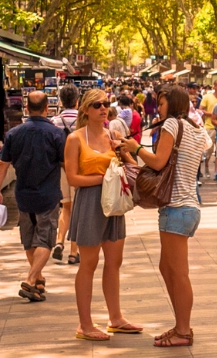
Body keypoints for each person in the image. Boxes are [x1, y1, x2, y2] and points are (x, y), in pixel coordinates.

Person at [116, 85, 212, 348]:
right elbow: (199, 150)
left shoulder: (171, 124)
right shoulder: (195, 128)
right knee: (166, 268)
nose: (157, 108)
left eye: (160, 104)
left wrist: (136, 148)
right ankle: (181, 324)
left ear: (173, 104)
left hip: (177, 207)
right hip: (187, 206)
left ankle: (184, 330)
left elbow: (158, 162)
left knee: (178, 273)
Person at [63, 89, 139, 341]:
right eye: (97, 105)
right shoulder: (75, 139)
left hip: (114, 203)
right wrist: (106, 179)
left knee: (114, 262)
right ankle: (84, 324)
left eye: (106, 104)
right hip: (89, 203)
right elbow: (73, 178)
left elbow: (132, 166)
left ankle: (115, 318)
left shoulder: (113, 135)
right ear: (85, 109)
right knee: (88, 263)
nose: (103, 108)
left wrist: (126, 153)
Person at [0, 91, 64, 302]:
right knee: (46, 238)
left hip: (23, 195)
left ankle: (38, 281)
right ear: (46, 109)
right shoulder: (56, 134)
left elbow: (2, 166)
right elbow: (66, 164)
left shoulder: (14, 134)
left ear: (26, 108)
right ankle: (31, 279)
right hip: (48, 195)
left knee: (29, 239)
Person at [50, 86, 82, 265]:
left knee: (66, 207)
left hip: (61, 169)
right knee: (78, 208)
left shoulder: (54, 121)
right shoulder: (83, 120)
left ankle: (60, 241)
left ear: (60, 101)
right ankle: (74, 252)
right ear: (77, 100)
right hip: (78, 170)